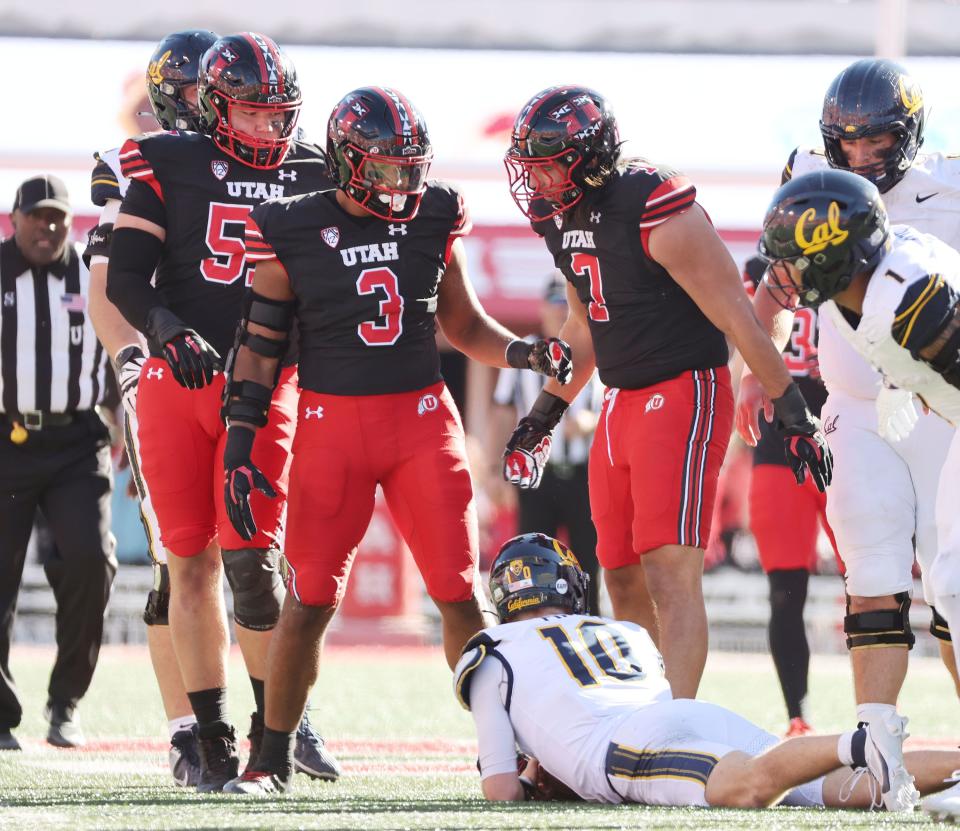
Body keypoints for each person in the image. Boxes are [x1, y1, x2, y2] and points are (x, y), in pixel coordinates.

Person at [217, 85, 572, 795]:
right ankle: (270, 756)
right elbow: (257, 347)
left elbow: (463, 325)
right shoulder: (288, 226)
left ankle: (503, 753)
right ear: (349, 164)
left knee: (457, 590)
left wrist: (524, 354)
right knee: (309, 598)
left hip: (419, 422)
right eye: (387, 168)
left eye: (412, 167)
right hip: (330, 425)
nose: (405, 183)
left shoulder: (435, 213)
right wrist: (239, 442)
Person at [499, 85, 832, 698]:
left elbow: (739, 316)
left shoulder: (656, 205)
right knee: (620, 574)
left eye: (547, 163)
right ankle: (637, 711)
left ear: (587, 155)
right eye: (531, 165)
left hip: (684, 391)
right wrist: (545, 413)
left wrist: (792, 408)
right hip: (622, 400)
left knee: (669, 574)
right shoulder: (560, 214)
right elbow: (584, 324)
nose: (537, 179)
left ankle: (674, 724)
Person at [105, 32, 339, 791]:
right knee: (188, 562)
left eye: (281, 114)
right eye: (255, 112)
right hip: (179, 384)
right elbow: (126, 280)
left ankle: (272, 738)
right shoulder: (166, 161)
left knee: (252, 562)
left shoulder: (314, 170)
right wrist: (168, 330)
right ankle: (207, 740)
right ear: (212, 105)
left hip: (268, 390)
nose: (273, 128)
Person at [735, 58, 960, 748]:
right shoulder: (809, 175)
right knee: (870, 571)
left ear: (910, 135)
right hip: (855, 405)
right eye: (849, 142)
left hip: (939, 404)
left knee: (952, 585)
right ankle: (877, 742)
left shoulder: (948, 187)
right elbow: (779, 282)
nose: (861, 155)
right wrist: (757, 370)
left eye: (878, 142)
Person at [452, 533, 952, 813]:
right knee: (845, 790)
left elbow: (500, 789)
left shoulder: (492, 648)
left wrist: (535, 779)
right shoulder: (622, 631)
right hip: (685, 715)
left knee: (747, 789)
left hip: (624, 748)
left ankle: (859, 742)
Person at [757, 167, 960, 819]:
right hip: (936, 407)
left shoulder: (908, 292)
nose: (783, 272)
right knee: (944, 583)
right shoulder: (863, 287)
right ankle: (882, 746)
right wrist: (907, 387)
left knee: (953, 581)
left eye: (796, 256)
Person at [85, 27, 219, 787]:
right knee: (181, 557)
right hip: (167, 371)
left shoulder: (256, 160)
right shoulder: (132, 163)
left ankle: (282, 710)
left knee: (263, 555)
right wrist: (133, 362)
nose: (227, 106)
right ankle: (187, 729)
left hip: (248, 377)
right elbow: (111, 283)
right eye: (208, 90)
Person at [0, 175, 117, 751]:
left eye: (57, 218)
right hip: (4, 439)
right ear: (15, 217)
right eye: (36, 217)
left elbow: (122, 352)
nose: (47, 229)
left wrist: (125, 429)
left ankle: (65, 701)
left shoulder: (94, 274)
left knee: (91, 561)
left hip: (77, 440)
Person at [741, 254, 839, 737]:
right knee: (785, 593)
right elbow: (735, 332)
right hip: (779, 457)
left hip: (846, 444)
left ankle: (879, 710)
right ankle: (796, 715)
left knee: (874, 583)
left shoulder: (851, 264)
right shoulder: (762, 269)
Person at [493, 272, 602, 613]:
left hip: (586, 475)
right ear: (542, 309)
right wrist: (497, 472)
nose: (560, 312)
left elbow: (616, 407)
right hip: (536, 477)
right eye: (554, 304)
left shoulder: (598, 350)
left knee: (589, 564)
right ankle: (529, 625)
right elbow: (502, 411)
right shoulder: (528, 352)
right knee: (531, 559)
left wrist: (590, 423)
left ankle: (589, 627)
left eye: (565, 304)